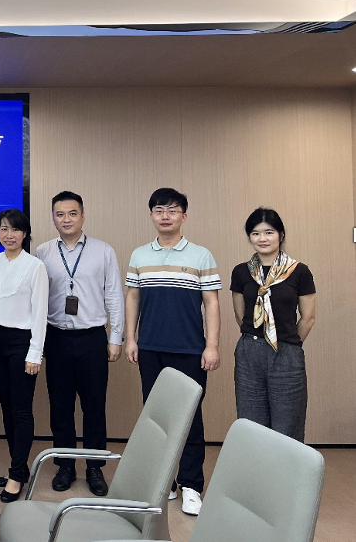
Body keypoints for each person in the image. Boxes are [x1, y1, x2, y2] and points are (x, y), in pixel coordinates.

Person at [124, 187, 220, 516]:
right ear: (151, 215)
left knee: (190, 417)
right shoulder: (139, 255)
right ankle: (165, 482)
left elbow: (211, 303)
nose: (165, 216)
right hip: (150, 349)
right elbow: (133, 297)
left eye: (172, 210)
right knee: (158, 418)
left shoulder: (201, 255)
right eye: (159, 210)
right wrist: (131, 338)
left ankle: (191, 484)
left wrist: (211, 346)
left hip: (190, 350)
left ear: (184, 216)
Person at [34, 191, 124, 497]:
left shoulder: (103, 251)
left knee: (94, 406)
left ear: (83, 216)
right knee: (60, 406)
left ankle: (95, 467)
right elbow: (36, 299)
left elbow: (114, 294)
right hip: (56, 336)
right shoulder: (43, 252)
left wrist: (115, 337)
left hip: (92, 338)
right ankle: (66, 466)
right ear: (53, 218)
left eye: (72, 213)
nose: (66, 219)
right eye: (60, 214)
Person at [230, 207, 315, 442]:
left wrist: (286, 343)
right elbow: (241, 315)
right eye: (255, 233)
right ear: (249, 237)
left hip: (286, 353)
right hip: (249, 352)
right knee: (252, 425)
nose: (262, 238)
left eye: (269, 232)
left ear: (281, 235)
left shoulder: (299, 271)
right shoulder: (241, 272)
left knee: (287, 427)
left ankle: (286, 469)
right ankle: (257, 468)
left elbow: (308, 318)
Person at [0, 208, 48, 503]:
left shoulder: (35, 266)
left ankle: (16, 475)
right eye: (4, 229)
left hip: (21, 343)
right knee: (6, 407)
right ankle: (18, 468)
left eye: (15, 229)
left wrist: (35, 353)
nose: (9, 235)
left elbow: (40, 313)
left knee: (21, 410)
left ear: (25, 233)